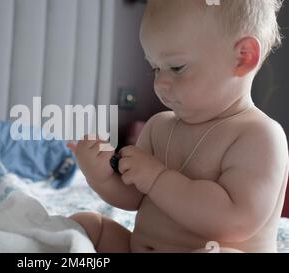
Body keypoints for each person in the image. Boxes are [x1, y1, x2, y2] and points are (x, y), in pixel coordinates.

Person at [68, 0, 289, 253]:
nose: (160, 82)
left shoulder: (259, 136)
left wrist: (157, 178)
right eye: (155, 68)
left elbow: (235, 222)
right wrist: (100, 176)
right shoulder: (158, 127)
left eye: (176, 67)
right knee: (87, 226)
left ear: (243, 57)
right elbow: (133, 196)